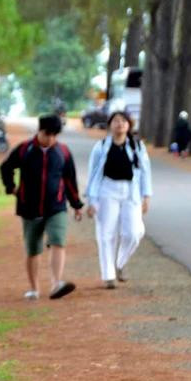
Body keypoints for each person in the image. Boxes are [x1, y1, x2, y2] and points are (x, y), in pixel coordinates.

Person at [0, 114, 84, 300]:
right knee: (33, 250)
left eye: (55, 135)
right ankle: (34, 289)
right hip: (29, 208)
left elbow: (70, 180)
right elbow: (6, 168)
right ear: (39, 131)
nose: (51, 139)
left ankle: (56, 284)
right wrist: (11, 188)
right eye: (48, 134)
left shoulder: (63, 152)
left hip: (56, 206)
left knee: (58, 241)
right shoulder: (24, 149)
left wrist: (76, 204)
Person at [84, 111, 153, 289]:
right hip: (107, 190)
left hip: (131, 190)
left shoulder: (137, 146)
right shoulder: (101, 146)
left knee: (134, 232)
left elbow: (145, 171)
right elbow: (93, 174)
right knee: (106, 233)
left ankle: (120, 262)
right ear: (110, 125)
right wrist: (92, 200)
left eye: (123, 121)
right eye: (116, 121)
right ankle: (108, 275)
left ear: (129, 125)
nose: (120, 124)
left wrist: (147, 195)